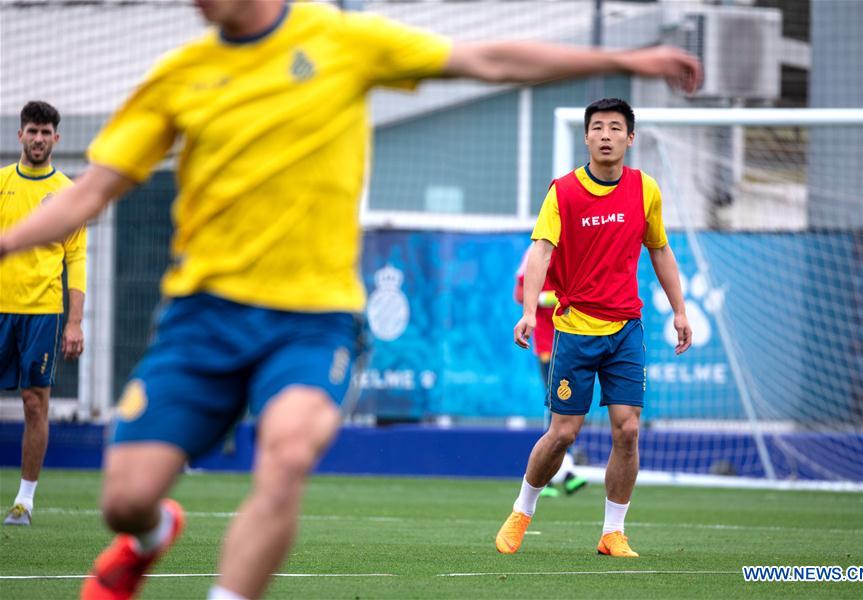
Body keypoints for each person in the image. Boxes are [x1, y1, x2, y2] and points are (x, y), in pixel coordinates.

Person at [0, 0, 700, 597]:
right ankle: (152, 531)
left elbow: (488, 61)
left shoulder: (339, 39)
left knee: (286, 457)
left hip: (313, 318)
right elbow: (89, 193)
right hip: (202, 316)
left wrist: (627, 60)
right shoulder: (179, 77)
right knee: (124, 499)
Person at [496, 98, 693, 557]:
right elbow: (540, 252)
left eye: (615, 127)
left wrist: (680, 310)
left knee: (627, 430)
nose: (606, 134)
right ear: (586, 137)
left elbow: (660, 250)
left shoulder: (646, 190)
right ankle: (522, 510)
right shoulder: (563, 191)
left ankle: (612, 532)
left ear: (630, 138)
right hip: (576, 328)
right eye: (598, 127)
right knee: (564, 433)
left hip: (627, 328)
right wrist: (529, 312)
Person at [1, 101, 86, 527]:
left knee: (35, 404)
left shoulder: (70, 194)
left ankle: (24, 501)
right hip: (0, 310)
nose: (37, 139)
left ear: (57, 138)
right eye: (31, 131)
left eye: (45, 132)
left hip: (43, 314)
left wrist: (74, 320)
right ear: (19, 136)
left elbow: (78, 258)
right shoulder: (1, 184)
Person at [514, 244, 587, 498]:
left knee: (568, 410)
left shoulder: (579, 249)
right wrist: (554, 299)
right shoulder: (536, 251)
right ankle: (557, 474)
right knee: (557, 409)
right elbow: (520, 293)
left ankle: (561, 473)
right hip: (549, 344)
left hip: (579, 341)